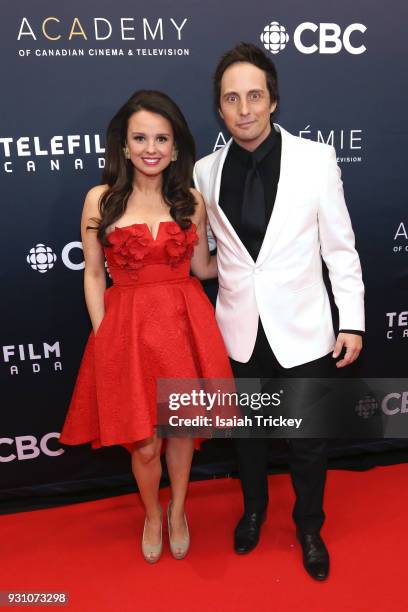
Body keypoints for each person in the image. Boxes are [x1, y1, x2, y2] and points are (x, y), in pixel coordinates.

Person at [193, 43, 365, 580]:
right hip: (240, 330)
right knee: (248, 438)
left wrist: (352, 319)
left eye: (254, 96)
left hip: (305, 328)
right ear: (220, 109)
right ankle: (252, 513)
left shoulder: (317, 160)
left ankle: (309, 526)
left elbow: (339, 248)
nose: (244, 108)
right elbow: (214, 255)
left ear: (273, 102)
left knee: (309, 441)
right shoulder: (203, 172)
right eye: (231, 98)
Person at [60, 90, 233, 564]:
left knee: (180, 431)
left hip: (182, 324)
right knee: (143, 442)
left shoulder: (191, 200)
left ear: (176, 148)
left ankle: (177, 511)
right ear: (124, 145)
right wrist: (104, 333)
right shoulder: (101, 199)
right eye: (140, 137)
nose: (150, 148)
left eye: (161, 138)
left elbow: (203, 268)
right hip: (128, 331)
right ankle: (152, 514)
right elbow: (93, 272)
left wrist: (262, 253)